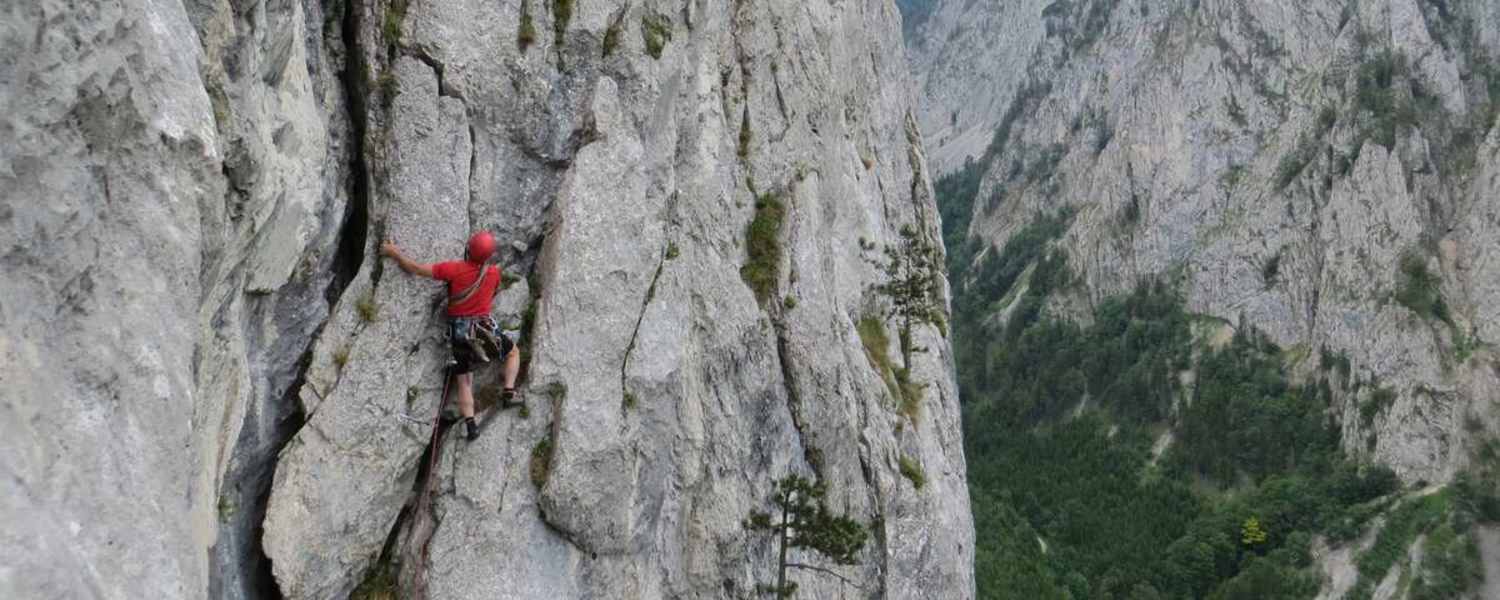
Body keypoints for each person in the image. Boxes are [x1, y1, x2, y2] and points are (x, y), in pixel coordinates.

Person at [380, 231, 520, 441]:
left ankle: (471, 427)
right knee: (513, 353)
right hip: (483, 329)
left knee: (464, 381)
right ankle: (509, 392)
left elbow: (416, 269)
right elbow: (493, 292)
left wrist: (394, 253)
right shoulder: (493, 273)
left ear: (468, 249)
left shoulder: (453, 270)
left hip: (460, 331)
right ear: (488, 256)